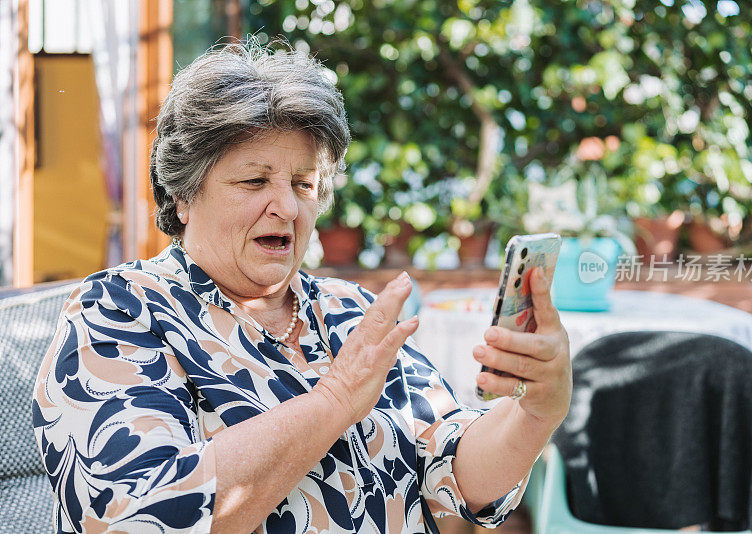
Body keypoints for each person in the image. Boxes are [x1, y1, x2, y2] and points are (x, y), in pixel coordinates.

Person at [32, 42, 572, 534]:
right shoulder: (118, 311)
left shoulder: (350, 311)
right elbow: (140, 515)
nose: (287, 208)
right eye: (254, 181)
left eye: (303, 183)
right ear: (183, 195)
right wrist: (333, 401)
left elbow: (453, 470)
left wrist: (537, 410)